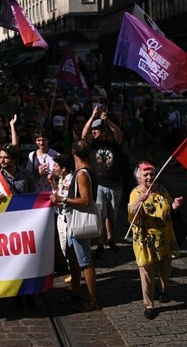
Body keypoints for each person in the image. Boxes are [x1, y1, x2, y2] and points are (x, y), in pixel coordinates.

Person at [128, 162, 183, 320]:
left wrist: (175, 205)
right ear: (139, 177)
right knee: (147, 273)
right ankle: (149, 304)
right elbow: (131, 211)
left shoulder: (162, 189)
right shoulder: (135, 192)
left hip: (164, 237)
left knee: (165, 269)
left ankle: (163, 290)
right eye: (146, 175)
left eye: (152, 174)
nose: (150, 177)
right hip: (145, 239)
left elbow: (169, 208)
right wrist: (139, 200)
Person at [51, 141, 100, 311]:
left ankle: (93, 300)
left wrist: (62, 199)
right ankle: (76, 291)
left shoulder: (82, 174)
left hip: (79, 222)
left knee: (85, 261)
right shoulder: (84, 171)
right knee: (73, 258)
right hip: (71, 221)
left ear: (73, 152)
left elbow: (86, 200)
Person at [82, 105, 126, 258]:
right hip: (99, 185)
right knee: (101, 215)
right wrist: (93, 116)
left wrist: (108, 122)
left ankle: (110, 239)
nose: (93, 132)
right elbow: (84, 134)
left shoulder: (113, 142)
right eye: (92, 130)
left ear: (103, 130)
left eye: (96, 130)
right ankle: (100, 244)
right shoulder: (92, 144)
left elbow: (118, 133)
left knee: (112, 215)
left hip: (115, 184)